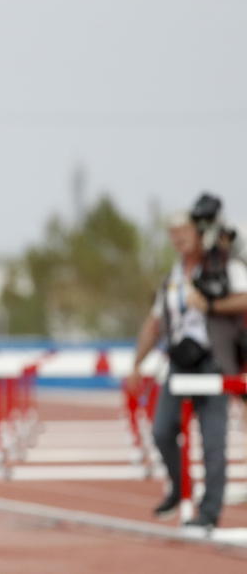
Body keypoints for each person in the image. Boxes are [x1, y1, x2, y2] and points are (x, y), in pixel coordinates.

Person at [127, 209, 247, 530]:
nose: (178, 238)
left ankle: (208, 514)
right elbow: (154, 324)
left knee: (213, 442)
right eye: (173, 232)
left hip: (215, 362)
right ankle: (181, 487)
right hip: (179, 363)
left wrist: (210, 305)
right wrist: (137, 364)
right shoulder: (173, 276)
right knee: (162, 430)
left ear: (200, 234)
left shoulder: (225, 268)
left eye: (184, 231)